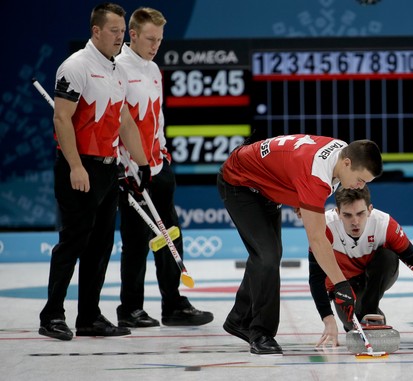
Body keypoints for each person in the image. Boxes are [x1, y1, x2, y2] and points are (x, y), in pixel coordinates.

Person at [39, 3, 151, 341]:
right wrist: (75, 166)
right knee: (73, 242)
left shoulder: (116, 69)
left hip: (107, 169)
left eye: (122, 30)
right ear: (96, 31)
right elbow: (61, 118)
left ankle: (88, 316)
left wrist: (141, 162)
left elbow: (125, 121)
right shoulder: (75, 67)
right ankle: (52, 315)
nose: (120, 37)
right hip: (80, 167)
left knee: (101, 246)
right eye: (114, 30)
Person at [217, 135, 383, 355]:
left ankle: (239, 318)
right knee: (267, 257)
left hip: (266, 185)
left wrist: (300, 199)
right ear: (347, 163)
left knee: (269, 254)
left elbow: (295, 169)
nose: (360, 186)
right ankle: (261, 333)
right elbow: (317, 239)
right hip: (240, 183)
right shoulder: (317, 174)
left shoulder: (342, 154)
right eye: (360, 179)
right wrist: (341, 284)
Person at [114, 7, 213, 328]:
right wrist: (124, 168)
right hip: (131, 172)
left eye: (159, 39)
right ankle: (129, 308)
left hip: (159, 169)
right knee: (135, 242)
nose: (156, 45)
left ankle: (174, 305)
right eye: (150, 38)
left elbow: (157, 120)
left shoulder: (154, 70)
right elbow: (114, 122)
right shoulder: (117, 68)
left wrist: (164, 157)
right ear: (133, 35)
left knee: (170, 237)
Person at [309, 186, 413, 347]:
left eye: (360, 213)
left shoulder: (384, 224)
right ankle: (361, 316)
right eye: (347, 215)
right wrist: (328, 320)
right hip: (342, 285)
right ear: (337, 212)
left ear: (370, 210)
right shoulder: (324, 227)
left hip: (374, 275)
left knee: (389, 256)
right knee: (352, 325)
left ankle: (369, 311)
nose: (355, 221)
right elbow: (316, 278)